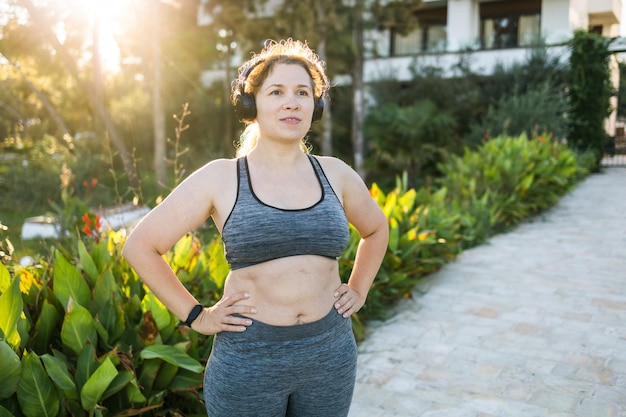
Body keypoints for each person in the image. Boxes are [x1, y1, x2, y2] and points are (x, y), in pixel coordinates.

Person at [122, 38, 389, 417]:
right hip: (250, 361)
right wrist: (197, 316)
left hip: (329, 354)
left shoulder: (337, 174)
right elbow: (140, 246)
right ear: (252, 104)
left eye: (303, 92)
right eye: (276, 91)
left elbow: (376, 230)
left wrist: (359, 289)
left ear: (317, 104)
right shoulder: (221, 178)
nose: (292, 102)